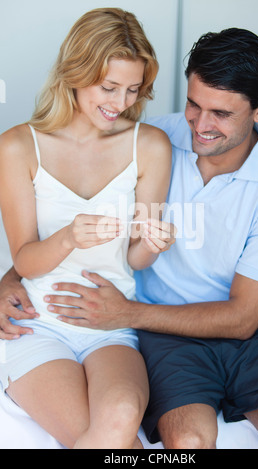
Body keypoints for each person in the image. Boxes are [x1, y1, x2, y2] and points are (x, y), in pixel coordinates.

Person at [1, 27, 258, 449]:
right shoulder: (148, 139)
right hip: (165, 336)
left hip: (250, 331)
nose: (201, 125)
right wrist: (10, 278)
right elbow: (47, 232)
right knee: (187, 444)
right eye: (194, 105)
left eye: (221, 113)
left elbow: (244, 317)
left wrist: (127, 314)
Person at [0, 8, 175, 449]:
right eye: (109, 87)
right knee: (114, 443)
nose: (121, 103)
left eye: (133, 90)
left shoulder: (150, 146)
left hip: (111, 324)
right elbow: (24, 259)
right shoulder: (18, 146)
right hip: (39, 324)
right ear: (75, 73)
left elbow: (135, 256)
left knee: (118, 416)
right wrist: (68, 237)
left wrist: (154, 245)